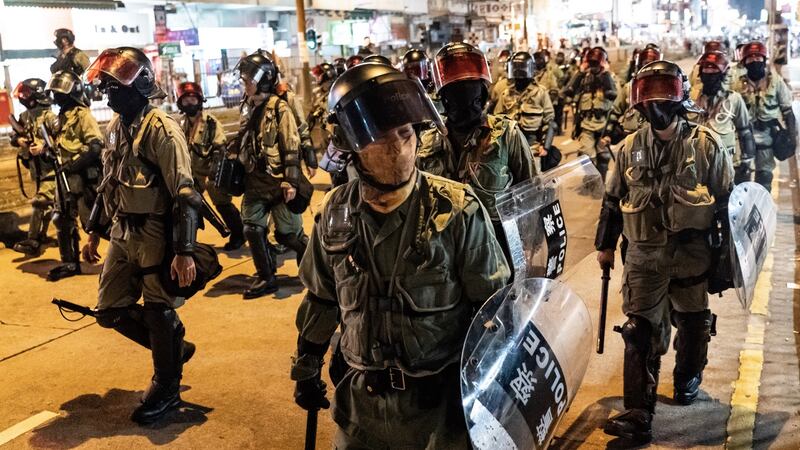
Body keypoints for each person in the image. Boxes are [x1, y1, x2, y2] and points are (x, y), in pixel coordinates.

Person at [290, 61, 511, 449]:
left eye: (406, 132)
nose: (398, 147)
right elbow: (322, 298)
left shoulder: (457, 210)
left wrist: (494, 394)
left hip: (438, 417)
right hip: (361, 411)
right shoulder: (335, 215)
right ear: (354, 147)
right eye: (382, 138)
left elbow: (491, 312)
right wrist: (306, 364)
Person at [595, 60, 734, 443]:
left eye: (664, 95)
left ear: (679, 99)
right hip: (643, 257)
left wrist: (727, 256)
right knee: (639, 330)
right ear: (638, 105)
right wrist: (605, 246)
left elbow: (726, 201)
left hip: (691, 256)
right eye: (648, 97)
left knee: (692, 324)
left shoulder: (706, 145)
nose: (656, 105)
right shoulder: (627, 149)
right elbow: (612, 201)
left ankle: (689, 374)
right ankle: (638, 412)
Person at [82, 46, 200, 424]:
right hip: (121, 231)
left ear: (142, 85)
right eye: (107, 86)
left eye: (115, 86)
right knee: (110, 309)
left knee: (158, 310)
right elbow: (107, 185)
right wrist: (93, 235)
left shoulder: (162, 130)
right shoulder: (116, 128)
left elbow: (185, 193)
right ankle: (173, 348)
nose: (108, 93)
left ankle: (167, 386)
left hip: (154, 231)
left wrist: (183, 251)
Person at [418, 42, 536, 261]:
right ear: (443, 97)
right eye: (455, 91)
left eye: (471, 89)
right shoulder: (426, 142)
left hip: (497, 248)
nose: (464, 99)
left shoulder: (506, 134)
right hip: (443, 251)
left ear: (481, 93)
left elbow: (530, 189)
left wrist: (531, 240)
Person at [231, 51, 303, 299]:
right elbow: (243, 137)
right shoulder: (248, 107)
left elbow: (291, 144)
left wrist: (291, 180)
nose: (245, 84)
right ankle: (267, 277)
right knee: (252, 228)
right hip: (254, 181)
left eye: (248, 80)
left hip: (277, 181)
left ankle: (314, 268)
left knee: (288, 235)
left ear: (262, 80)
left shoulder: (279, 108)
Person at [42, 70, 104, 281]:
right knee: (61, 218)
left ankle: (126, 258)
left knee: (96, 223)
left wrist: (74, 164)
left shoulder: (83, 115)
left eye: (61, 93)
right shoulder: (61, 117)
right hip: (65, 176)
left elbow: (95, 145)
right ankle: (70, 262)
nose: (57, 97)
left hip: (83, 177)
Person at [175, 81, 245, 250]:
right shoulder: (180, 124)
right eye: (186, 101)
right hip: (191, 174)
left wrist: (214, 172)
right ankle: (190, 241)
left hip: (209, 172)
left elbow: (220, 147)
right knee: (187, 207)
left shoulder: (210, 123)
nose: (190, 103)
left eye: (193, 99)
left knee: (222, 203)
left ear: (200, 100)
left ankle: (238, 234)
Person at [731, 41, 796, 191]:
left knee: (764, 180)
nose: (754, 61)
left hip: (767, 139)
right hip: (741, 141)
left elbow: (788, 111)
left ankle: (761, 212)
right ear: (744, 62)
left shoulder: (775, 82)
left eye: (758, 58)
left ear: (764, 60)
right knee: (740, 181)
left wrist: (793, 138)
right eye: (750, 59)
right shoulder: (736, 84)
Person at [689, 51, 756, 184]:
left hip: (725, 167)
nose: (709, 76)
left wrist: (747, 162)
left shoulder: (734, 100)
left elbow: (745, 131)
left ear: (723, 75)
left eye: (714, 72)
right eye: (706, 71)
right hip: (695, 166)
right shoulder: (690, 100)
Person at [10, 79, 58, 256]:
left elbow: (62, 141)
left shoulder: (50, 117)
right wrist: (19, 140)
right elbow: (14, 137)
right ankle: (43, 236)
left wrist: (44, 147)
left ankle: (32, 240)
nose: (23, 98)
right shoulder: (24, 117)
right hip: (36, 171)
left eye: (27, 94)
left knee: (40, 202)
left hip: (52, 169)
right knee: (46, 205)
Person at [493, 51, 556, 171]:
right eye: (516, 68)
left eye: (522, 68)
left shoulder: (540, 93)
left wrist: (545, 146)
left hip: (532, 147)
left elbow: (550, 121)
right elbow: (497, 120)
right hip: (508, 150)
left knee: (533, 185)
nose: (519, 72)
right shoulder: (506, 94)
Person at [564, 46, 617, 181]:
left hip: (603, 125)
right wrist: (580, 72)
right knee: (587, 156)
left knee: (603, 157)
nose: (594, 66)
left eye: (596, 62)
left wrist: (605, 74)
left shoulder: (610, 78)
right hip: (586, 124)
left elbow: (613, 96)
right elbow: (568, 91)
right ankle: (591, 184)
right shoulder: (583, 78)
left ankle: (600, 183)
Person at [605, 46, 663, 145]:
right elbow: (615, 112)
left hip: (656, 141)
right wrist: (608, 134)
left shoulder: (664, 90)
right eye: (645, 64)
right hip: (632, 140)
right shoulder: (629, 88)